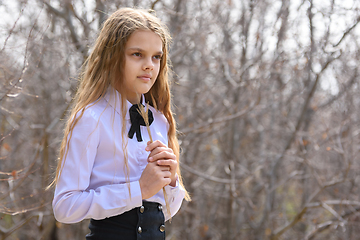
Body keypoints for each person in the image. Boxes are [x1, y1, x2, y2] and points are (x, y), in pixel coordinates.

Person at [51, 7, 190, 240]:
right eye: (137, 54)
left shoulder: (160, 121)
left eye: (156, 57)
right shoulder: (91, 118)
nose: (149, 65)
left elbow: (165, 212)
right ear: (113, 56)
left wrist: (171, 178)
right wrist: (139, 190)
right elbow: (64, 207)